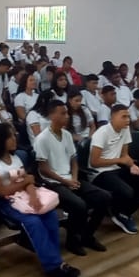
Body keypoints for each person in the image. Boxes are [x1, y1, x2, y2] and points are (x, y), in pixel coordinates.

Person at [0, 123, 80, 277]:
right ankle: (54, 266)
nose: (15, 138)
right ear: (0, 140)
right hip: (5, 202)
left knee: (50, 216)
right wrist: (27, 181)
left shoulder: (15, 157)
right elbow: (3, 191)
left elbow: (28, 182)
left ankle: (58, 262)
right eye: (10, 136)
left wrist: (34, 196)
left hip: (25, 197)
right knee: (33, 222)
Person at [34, 101, 110, 256]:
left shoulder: (67, 135)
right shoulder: (42, 138)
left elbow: (73, 160)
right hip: (53, 183)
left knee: (104, 197)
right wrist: (66, 182)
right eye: (62, 113)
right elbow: (44, 169)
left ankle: (87, 235)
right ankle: (72, 241)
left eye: (67, 113)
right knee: (79, 205)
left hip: (70, 178)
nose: (67, 116)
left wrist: (74, 178)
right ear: (52, 116)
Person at [89, 105, 139, 235]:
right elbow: (94, 162)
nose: (127, 120)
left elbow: (124, 155)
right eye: (124, 117)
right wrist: (120, 161)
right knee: (128, 191)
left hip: (116, 168)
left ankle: (123, 212)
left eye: (129, 117)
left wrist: (132, 165)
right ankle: (119, 213)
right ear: (113, 118)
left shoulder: (125, 130)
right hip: (100, 173)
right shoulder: (102, 133)